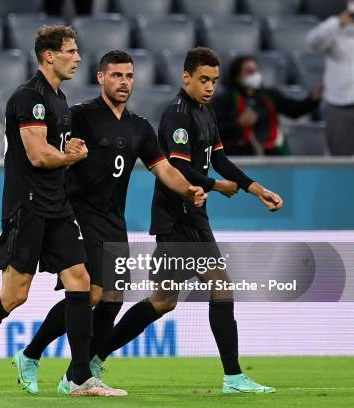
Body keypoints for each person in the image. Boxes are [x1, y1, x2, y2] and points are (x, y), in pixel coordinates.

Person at [0, 26, 125, 398]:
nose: (78, 58)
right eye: (71, 51)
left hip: (57, 207)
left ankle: (79, 377)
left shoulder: (59, 99)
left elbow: (53, 149)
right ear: (49, 55)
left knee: (82, 282)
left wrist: (69, 147)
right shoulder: (29, 98)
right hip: (29, 207)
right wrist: (68, 155)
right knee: (14, 296)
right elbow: (37, 154)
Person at [11, 50, 207, 395]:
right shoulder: (81, 116)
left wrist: (189, 189)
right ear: (101, 78)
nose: (124, 82)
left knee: (113, 298)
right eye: (116, 75)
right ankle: (39, 357)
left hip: (114, 219)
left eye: (129, 76)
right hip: (78, 213)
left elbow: (163, 169)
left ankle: (75, 373)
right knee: (91, 292)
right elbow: (52, 148)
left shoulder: (139, 126)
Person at [92, 47, 284, 394]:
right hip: (180, 216)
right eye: (203, 80)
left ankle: (93, 356)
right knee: (222, 286)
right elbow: (176, 167)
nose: (209, 87)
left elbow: (221, 161)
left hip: (186, 216)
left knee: (163, 300)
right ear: (186, 77)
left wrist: (257, 189)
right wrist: (213, 185)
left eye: (214, 81)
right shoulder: (177, 115)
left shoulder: (205, 114)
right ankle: (233, 377)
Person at [211, 55, 321, 156]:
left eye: (256, 70)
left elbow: (294, 110)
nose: (254, 74)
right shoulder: (223, 100)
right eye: (249, 71)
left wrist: (313, 99)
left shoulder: (269, 96)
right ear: (236, 76)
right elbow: (213, 131)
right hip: (237, 155)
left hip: (271, 153)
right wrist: (238, 123)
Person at [307, 0, 354, 155]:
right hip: (340, 104)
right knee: (342, 158)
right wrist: (338, 23)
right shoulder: (335, 26)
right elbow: (312, 42)